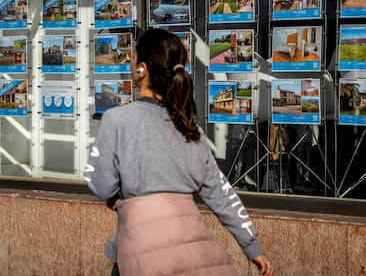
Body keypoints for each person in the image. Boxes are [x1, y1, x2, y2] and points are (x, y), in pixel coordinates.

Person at [84, 28, 274, 276]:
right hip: (193, 253)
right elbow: (221, 194)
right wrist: (253, 247)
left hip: (140, 251)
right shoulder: (191, 131)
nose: (130, 63)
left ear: (141, 69)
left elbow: (100, 185)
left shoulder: (117, 120)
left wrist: (123, 194)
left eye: (132, 57)